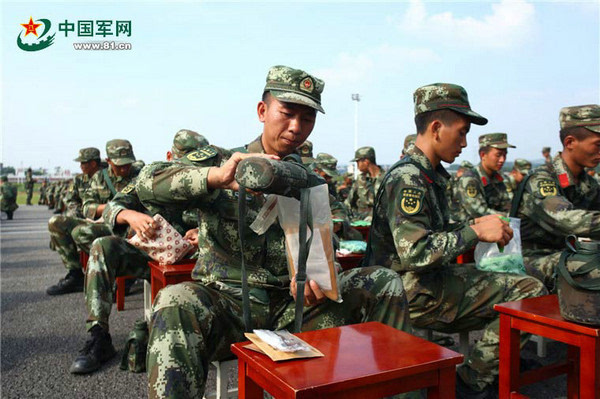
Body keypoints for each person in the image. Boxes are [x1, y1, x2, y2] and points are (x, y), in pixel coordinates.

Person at [138, 65, 410, 399]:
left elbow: (326, 244)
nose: (297, 128)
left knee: (383, 282)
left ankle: (397, 392)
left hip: (293, 311)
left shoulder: (310, 181)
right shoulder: (223, 161)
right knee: (175, 299)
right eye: (288, 113)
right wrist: (215, 178)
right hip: (228, 306)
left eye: (307, 118)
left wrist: (320, 278)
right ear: (262, 111)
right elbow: (147, 181)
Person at [364, 83, 547, 398]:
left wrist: (471, 223)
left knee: (517, 283)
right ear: (436, 128)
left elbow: (430, 232)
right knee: (528, 291)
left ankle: (493, 362)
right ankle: (471, 380)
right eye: (461, 132)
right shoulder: (409, 179)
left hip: (415, 283)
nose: (464, 143)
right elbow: (416, 253)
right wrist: (475, 232)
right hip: (407, 290)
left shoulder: (425, 174)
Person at [69, 130, 208, 374]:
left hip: (198, 265)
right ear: (170, 156)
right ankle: (98, 336)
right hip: (152, 257)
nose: (191, 169)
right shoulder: (151, 177)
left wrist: (205, 233)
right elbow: (113, 206)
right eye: (185, 161)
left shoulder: (213, 180)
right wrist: (130, 216)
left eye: (198, 163)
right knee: (102, 246)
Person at [512, 104, 600, 288]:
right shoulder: (541, 179)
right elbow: (565, 219)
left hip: (569, 254)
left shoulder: (588, 183)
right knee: (590, 266)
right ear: (569, 143)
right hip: (532, 261)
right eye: (598, 145)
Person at [46, 140, 140, 295]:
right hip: (104, 224)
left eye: (127, 163)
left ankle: (125, 272)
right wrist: (111, 208)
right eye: (119, 165)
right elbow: (87, 207)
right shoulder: (99, 178)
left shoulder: (140, 174)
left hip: (129, 225)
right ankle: (75, 274)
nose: (124, 168)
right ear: (109, 161)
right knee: (57, 223)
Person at [452, 133, 514, 223]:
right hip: (470, 230)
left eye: (505, 155)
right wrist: (506, 217)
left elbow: (507, 204)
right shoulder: (470, 179)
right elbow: (478, 212)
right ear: (483, 155)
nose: (502, 160)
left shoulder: (500, 178)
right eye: (498, 155)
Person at [345, 146, 384, 221]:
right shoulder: (360, 179)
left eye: (358, 162)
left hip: (380, 223)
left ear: (366, 161)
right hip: (361, 222)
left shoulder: (386, 179)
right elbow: (348, 203)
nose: (357, 165)